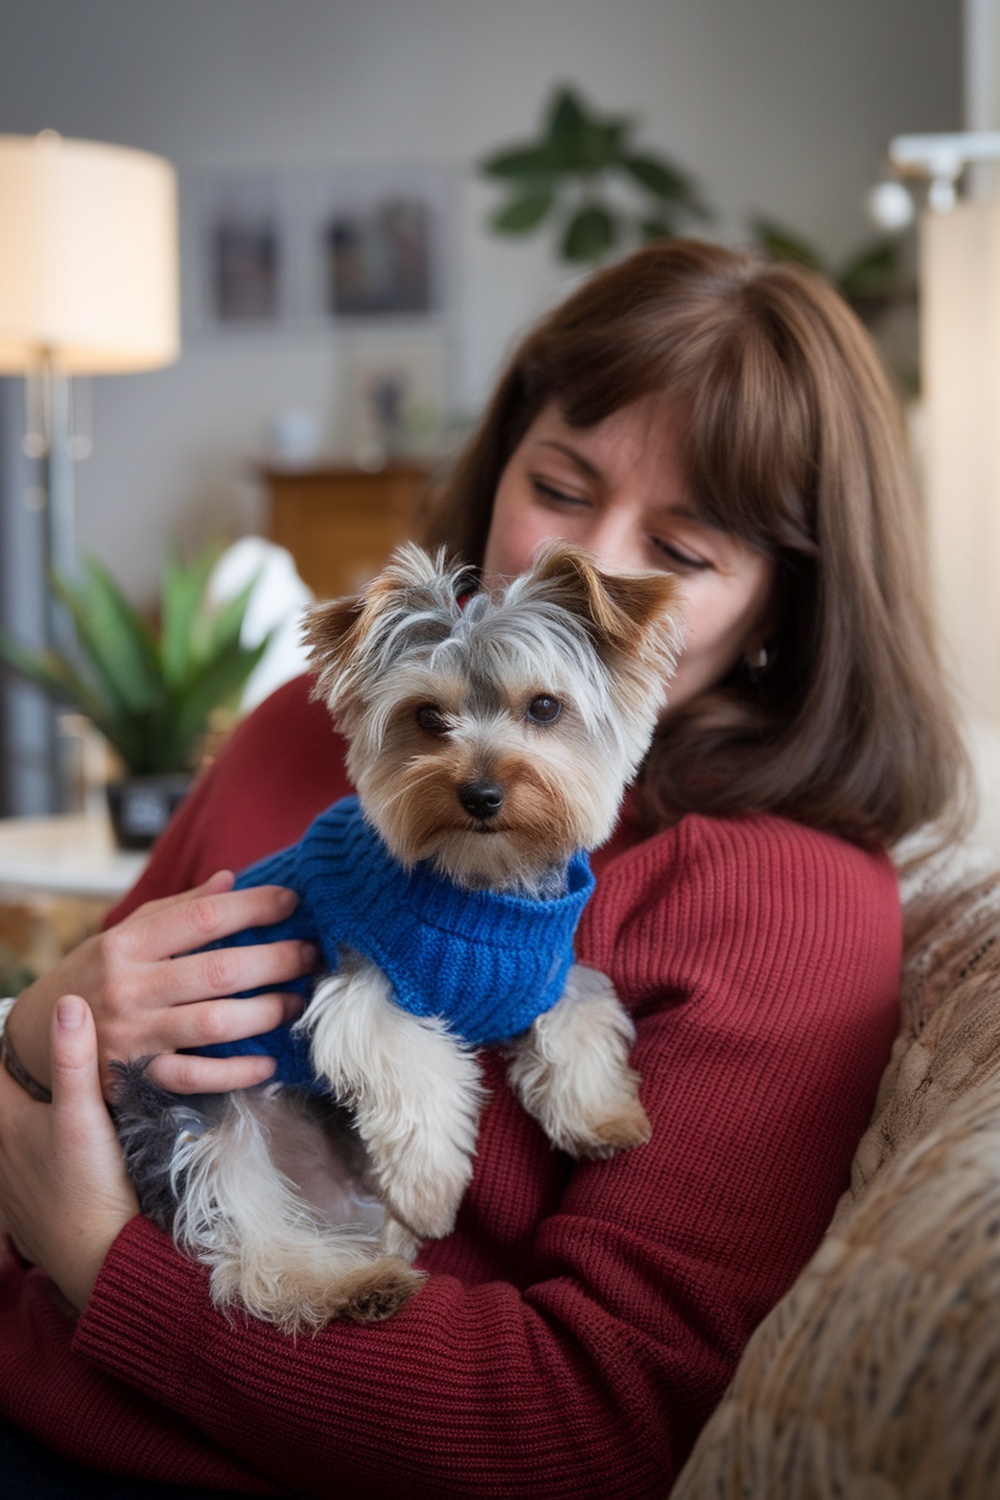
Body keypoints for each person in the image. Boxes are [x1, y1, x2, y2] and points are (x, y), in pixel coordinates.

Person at [0, 239, 968, 1499]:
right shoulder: (309, 721)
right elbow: (62, 1060)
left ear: (789, 601)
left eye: (679, 551)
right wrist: (33, 1025)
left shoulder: (786, 900)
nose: (583, 570)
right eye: (559, 486)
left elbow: (589, 1422)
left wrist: (99, 1259)